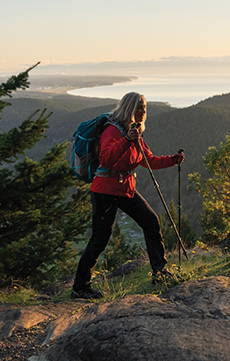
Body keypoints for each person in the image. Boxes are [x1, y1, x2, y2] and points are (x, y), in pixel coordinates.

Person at [71, 92, 184, 299]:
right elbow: (106, 159)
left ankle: (160, 272)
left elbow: (150, 160)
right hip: (104, 190)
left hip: (125, 189)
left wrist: (173, 160)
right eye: (139, 107)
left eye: (145, 107)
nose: (143, 111)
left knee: (151, 221)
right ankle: (80, 287)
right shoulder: (112, 131)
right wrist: (125, 140)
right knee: (99, 239)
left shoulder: (135, 132)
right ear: (129, 108)